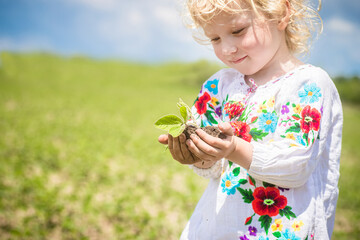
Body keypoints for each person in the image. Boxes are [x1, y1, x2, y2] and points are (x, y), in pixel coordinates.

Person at [158, 0, 343, 239]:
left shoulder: (308, 84)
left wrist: (234, 149)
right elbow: (214, 167)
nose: (227, 49)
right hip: (220, 229)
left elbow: (296, 166)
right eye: (215, 39)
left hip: (286, 231)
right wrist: (198, 155)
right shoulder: (218, 86)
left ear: (281, 13)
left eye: (237, 31)